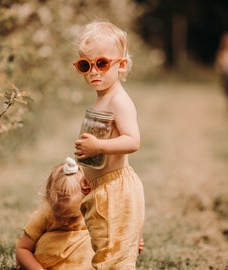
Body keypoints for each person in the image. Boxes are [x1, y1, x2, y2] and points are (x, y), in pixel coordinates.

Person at [73, 20, 145, 269]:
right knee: (105, 247)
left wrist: (99, 148)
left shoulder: (119, 101)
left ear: (121, 65)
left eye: (101, 63)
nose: (93, 71)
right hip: (100, 188)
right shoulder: (101, 99)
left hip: (116, 190)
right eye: (86, 65)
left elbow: (132, 141)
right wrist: (87, 172)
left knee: (112, 258)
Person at [16, 157, 94, 270]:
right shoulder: (44, 214)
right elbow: (22, 249)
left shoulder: (92, 214)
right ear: (49, 201)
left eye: (73, 217)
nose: (65, 222)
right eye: (59, 215)